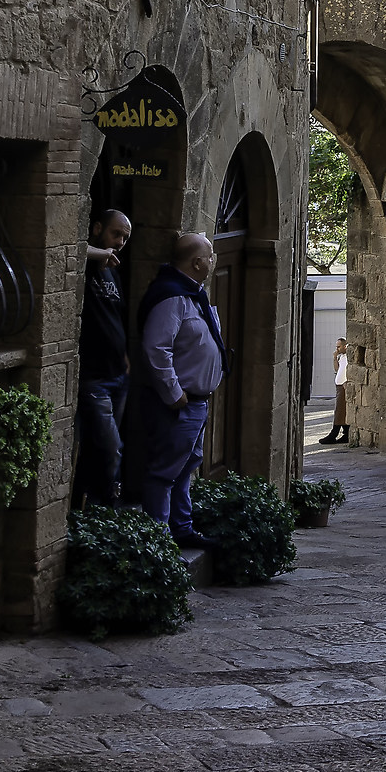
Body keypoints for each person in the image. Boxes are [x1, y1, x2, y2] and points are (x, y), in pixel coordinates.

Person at [130, 231, 226, 548]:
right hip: (179, 405)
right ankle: (158, 540)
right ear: (198, 262)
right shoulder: (171, 297)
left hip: (195, 402)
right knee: (164, 472)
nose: (214, 261)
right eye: (210, 256)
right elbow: (156, 349)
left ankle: (181, 530)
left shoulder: (192, 294)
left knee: (185, 468)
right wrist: (175, 394)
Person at [73, 209, 132, 509]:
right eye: (116, 233)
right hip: (94, 378)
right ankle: (107, 508)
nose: (120, 242)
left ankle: (86, 506)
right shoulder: (87, 263)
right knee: (111, 448)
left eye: (125, 237)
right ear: (97, 228)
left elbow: (116, 317)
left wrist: (124, 358)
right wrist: (100, 255)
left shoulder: (112, 271)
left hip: (118, 375)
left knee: (100, 448)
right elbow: (70, 247)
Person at [318, 335, 350, 446]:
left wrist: (347, 381)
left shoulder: (350, 356)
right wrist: (334, 358)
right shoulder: (341, 357)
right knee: (341, 411)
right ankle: (347, 433)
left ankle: (334, 433)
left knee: (339, 410)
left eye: (339, 347)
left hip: (344, 386)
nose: (337, 349)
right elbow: (337, 369)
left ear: (345, 346)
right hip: (339, 386)